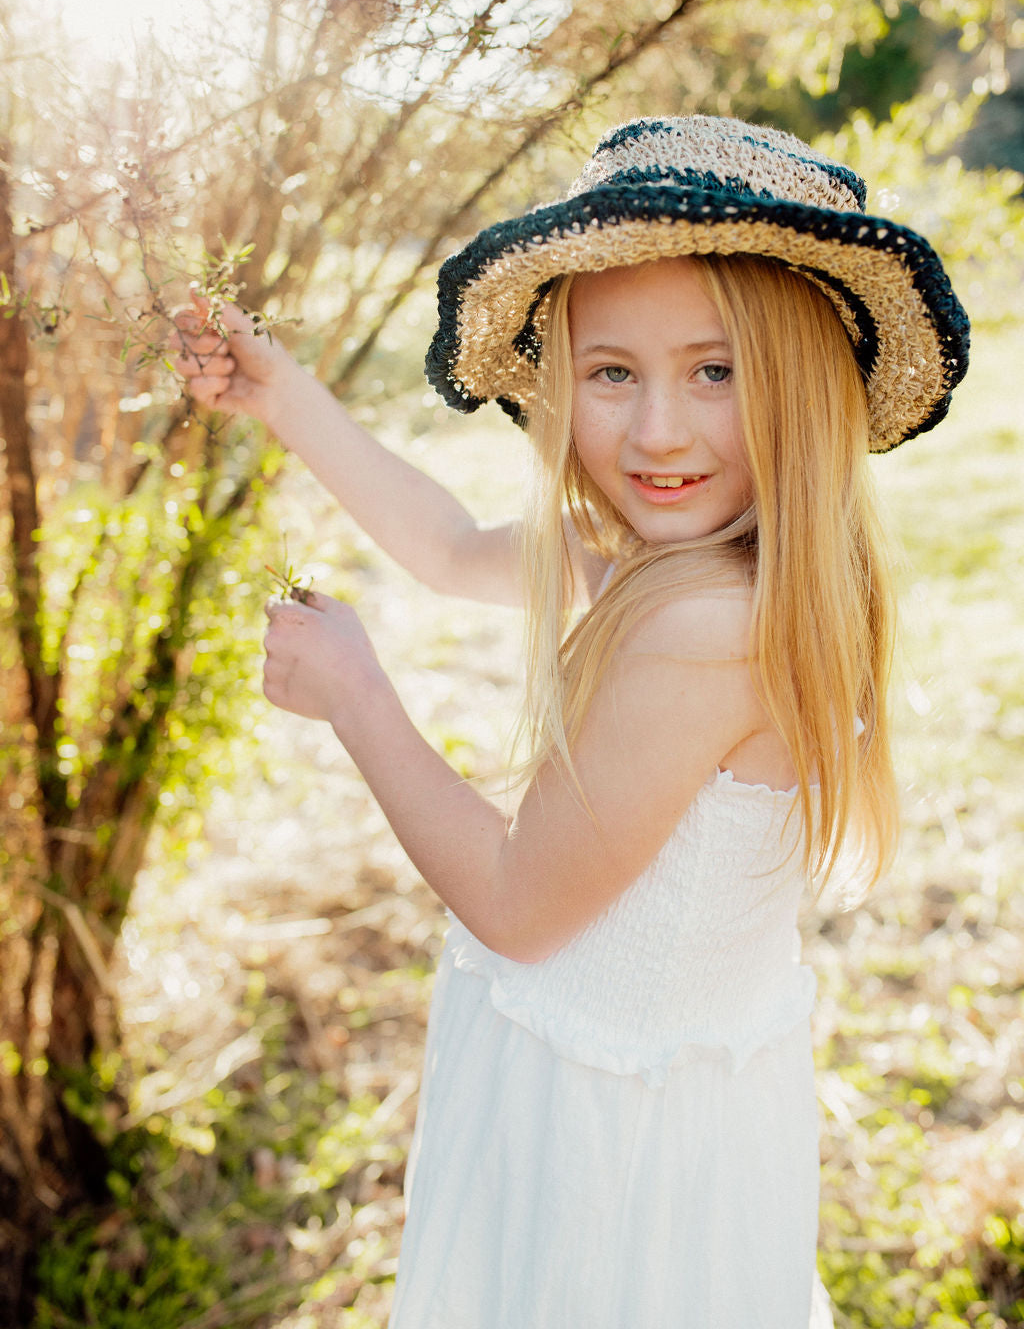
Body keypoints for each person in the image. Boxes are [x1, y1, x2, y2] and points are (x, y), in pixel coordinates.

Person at [174, 115, 969, 1328]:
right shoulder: (706, 564)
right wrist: (287, 398)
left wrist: (358, 699)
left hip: (609, 1158)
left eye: (716, 370)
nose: (656, 431)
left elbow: (514, 903)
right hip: (656, 1109)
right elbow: (445, 548)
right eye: (612, 373)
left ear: (802, 383)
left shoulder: (711, 625)